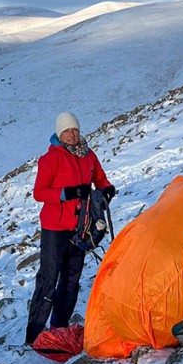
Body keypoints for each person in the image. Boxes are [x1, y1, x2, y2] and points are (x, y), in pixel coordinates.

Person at [26, 112, 116, 346]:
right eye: (67, 131)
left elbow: (102, 180)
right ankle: (34, 334)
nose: (72, 134)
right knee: (48, 279)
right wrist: (67, 193)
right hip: (54, 229)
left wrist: (106, 191)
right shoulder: (50, 159)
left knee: (71, 280)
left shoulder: (88, 156)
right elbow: (39, 193)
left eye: (74, 130)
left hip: (81, 228)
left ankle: (59, 328)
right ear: (59, 133)